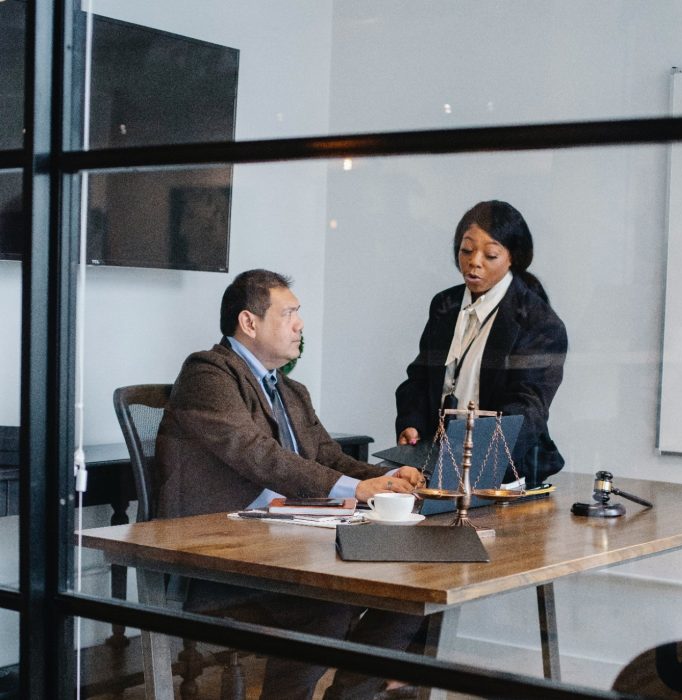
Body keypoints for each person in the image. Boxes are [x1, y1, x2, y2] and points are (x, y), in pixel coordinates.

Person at [156, 268, 424, 700]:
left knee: (411, 593)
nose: (300, 324)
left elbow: (328, 456)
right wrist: (355, 490)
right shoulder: (208, 373)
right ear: (249, 322)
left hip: (286, 543)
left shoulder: (291, 390)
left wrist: (386, 478)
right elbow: (258, 454)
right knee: (328, 606)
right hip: (221, 554)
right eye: (289, 314)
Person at [395, 200, 567, 487]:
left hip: (502, 470)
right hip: (435, 458)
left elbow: (527, 410)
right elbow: (419, 378)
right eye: (466, 250)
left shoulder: (539, 322)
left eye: (490, 255)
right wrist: (411, 423)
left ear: (513, 257)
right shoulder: (445, 304)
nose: (474, 262)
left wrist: (473, 459)